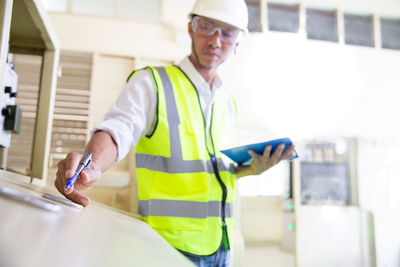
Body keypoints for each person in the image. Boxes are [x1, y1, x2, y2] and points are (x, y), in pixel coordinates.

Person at [54, 0, 295, 266]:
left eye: (227, 33)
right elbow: (117, 130)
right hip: (167, 249)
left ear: (238, 41)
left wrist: (252, 169)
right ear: (190, 28)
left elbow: (213, 168)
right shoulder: (152, 83)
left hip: (221, 248)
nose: (216, 41)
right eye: (206, 27)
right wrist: (92, 166)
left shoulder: (228, 102)